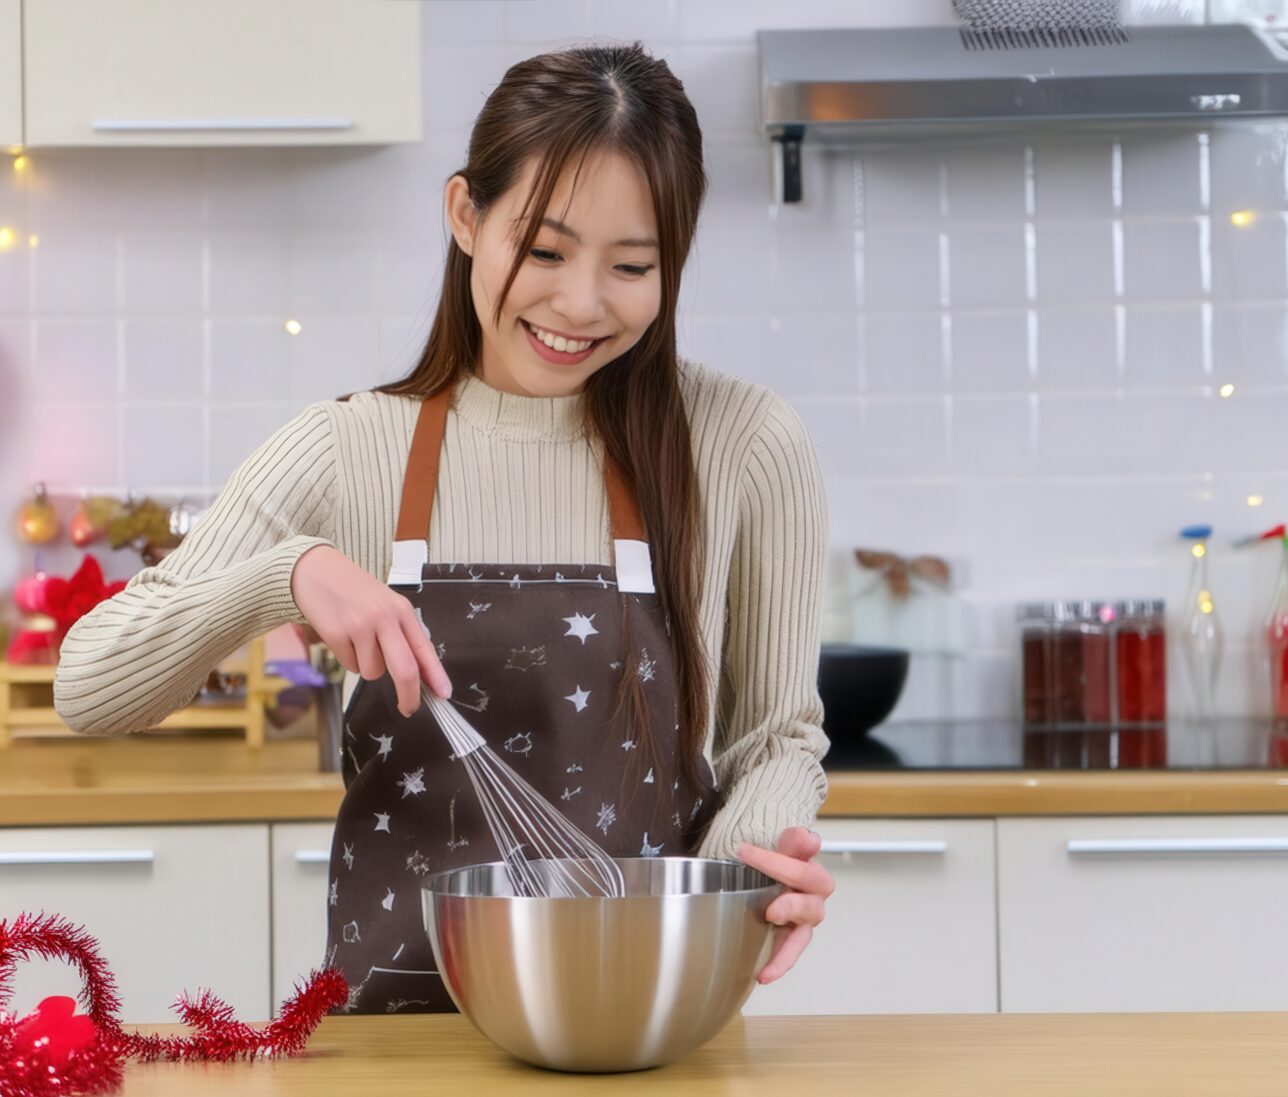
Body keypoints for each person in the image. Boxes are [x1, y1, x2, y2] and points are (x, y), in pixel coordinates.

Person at [56, 43, 833, 1015]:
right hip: (391, 1038)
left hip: (641, 1019)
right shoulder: (347, 448)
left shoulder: (742, 442)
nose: (580, 303)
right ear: (465, 215)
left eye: (633, 265)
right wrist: (284, 576)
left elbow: (777, 738)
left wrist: (737, 881)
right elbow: (87, 685)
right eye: (544, 250)